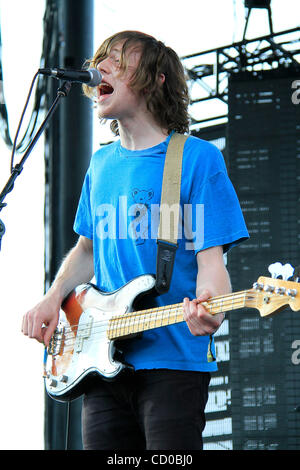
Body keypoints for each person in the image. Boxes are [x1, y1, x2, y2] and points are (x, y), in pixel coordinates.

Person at [22, 30, 249, 450]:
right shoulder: (101, 163)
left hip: (172, 363)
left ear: (155, 78)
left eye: (117, 60)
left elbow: (211, 264)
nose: (100, 68)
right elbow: (88, 249)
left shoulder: (197, 159)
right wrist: (53, 297)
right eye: (100, 59)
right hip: (100, 363)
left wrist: (210, 308)